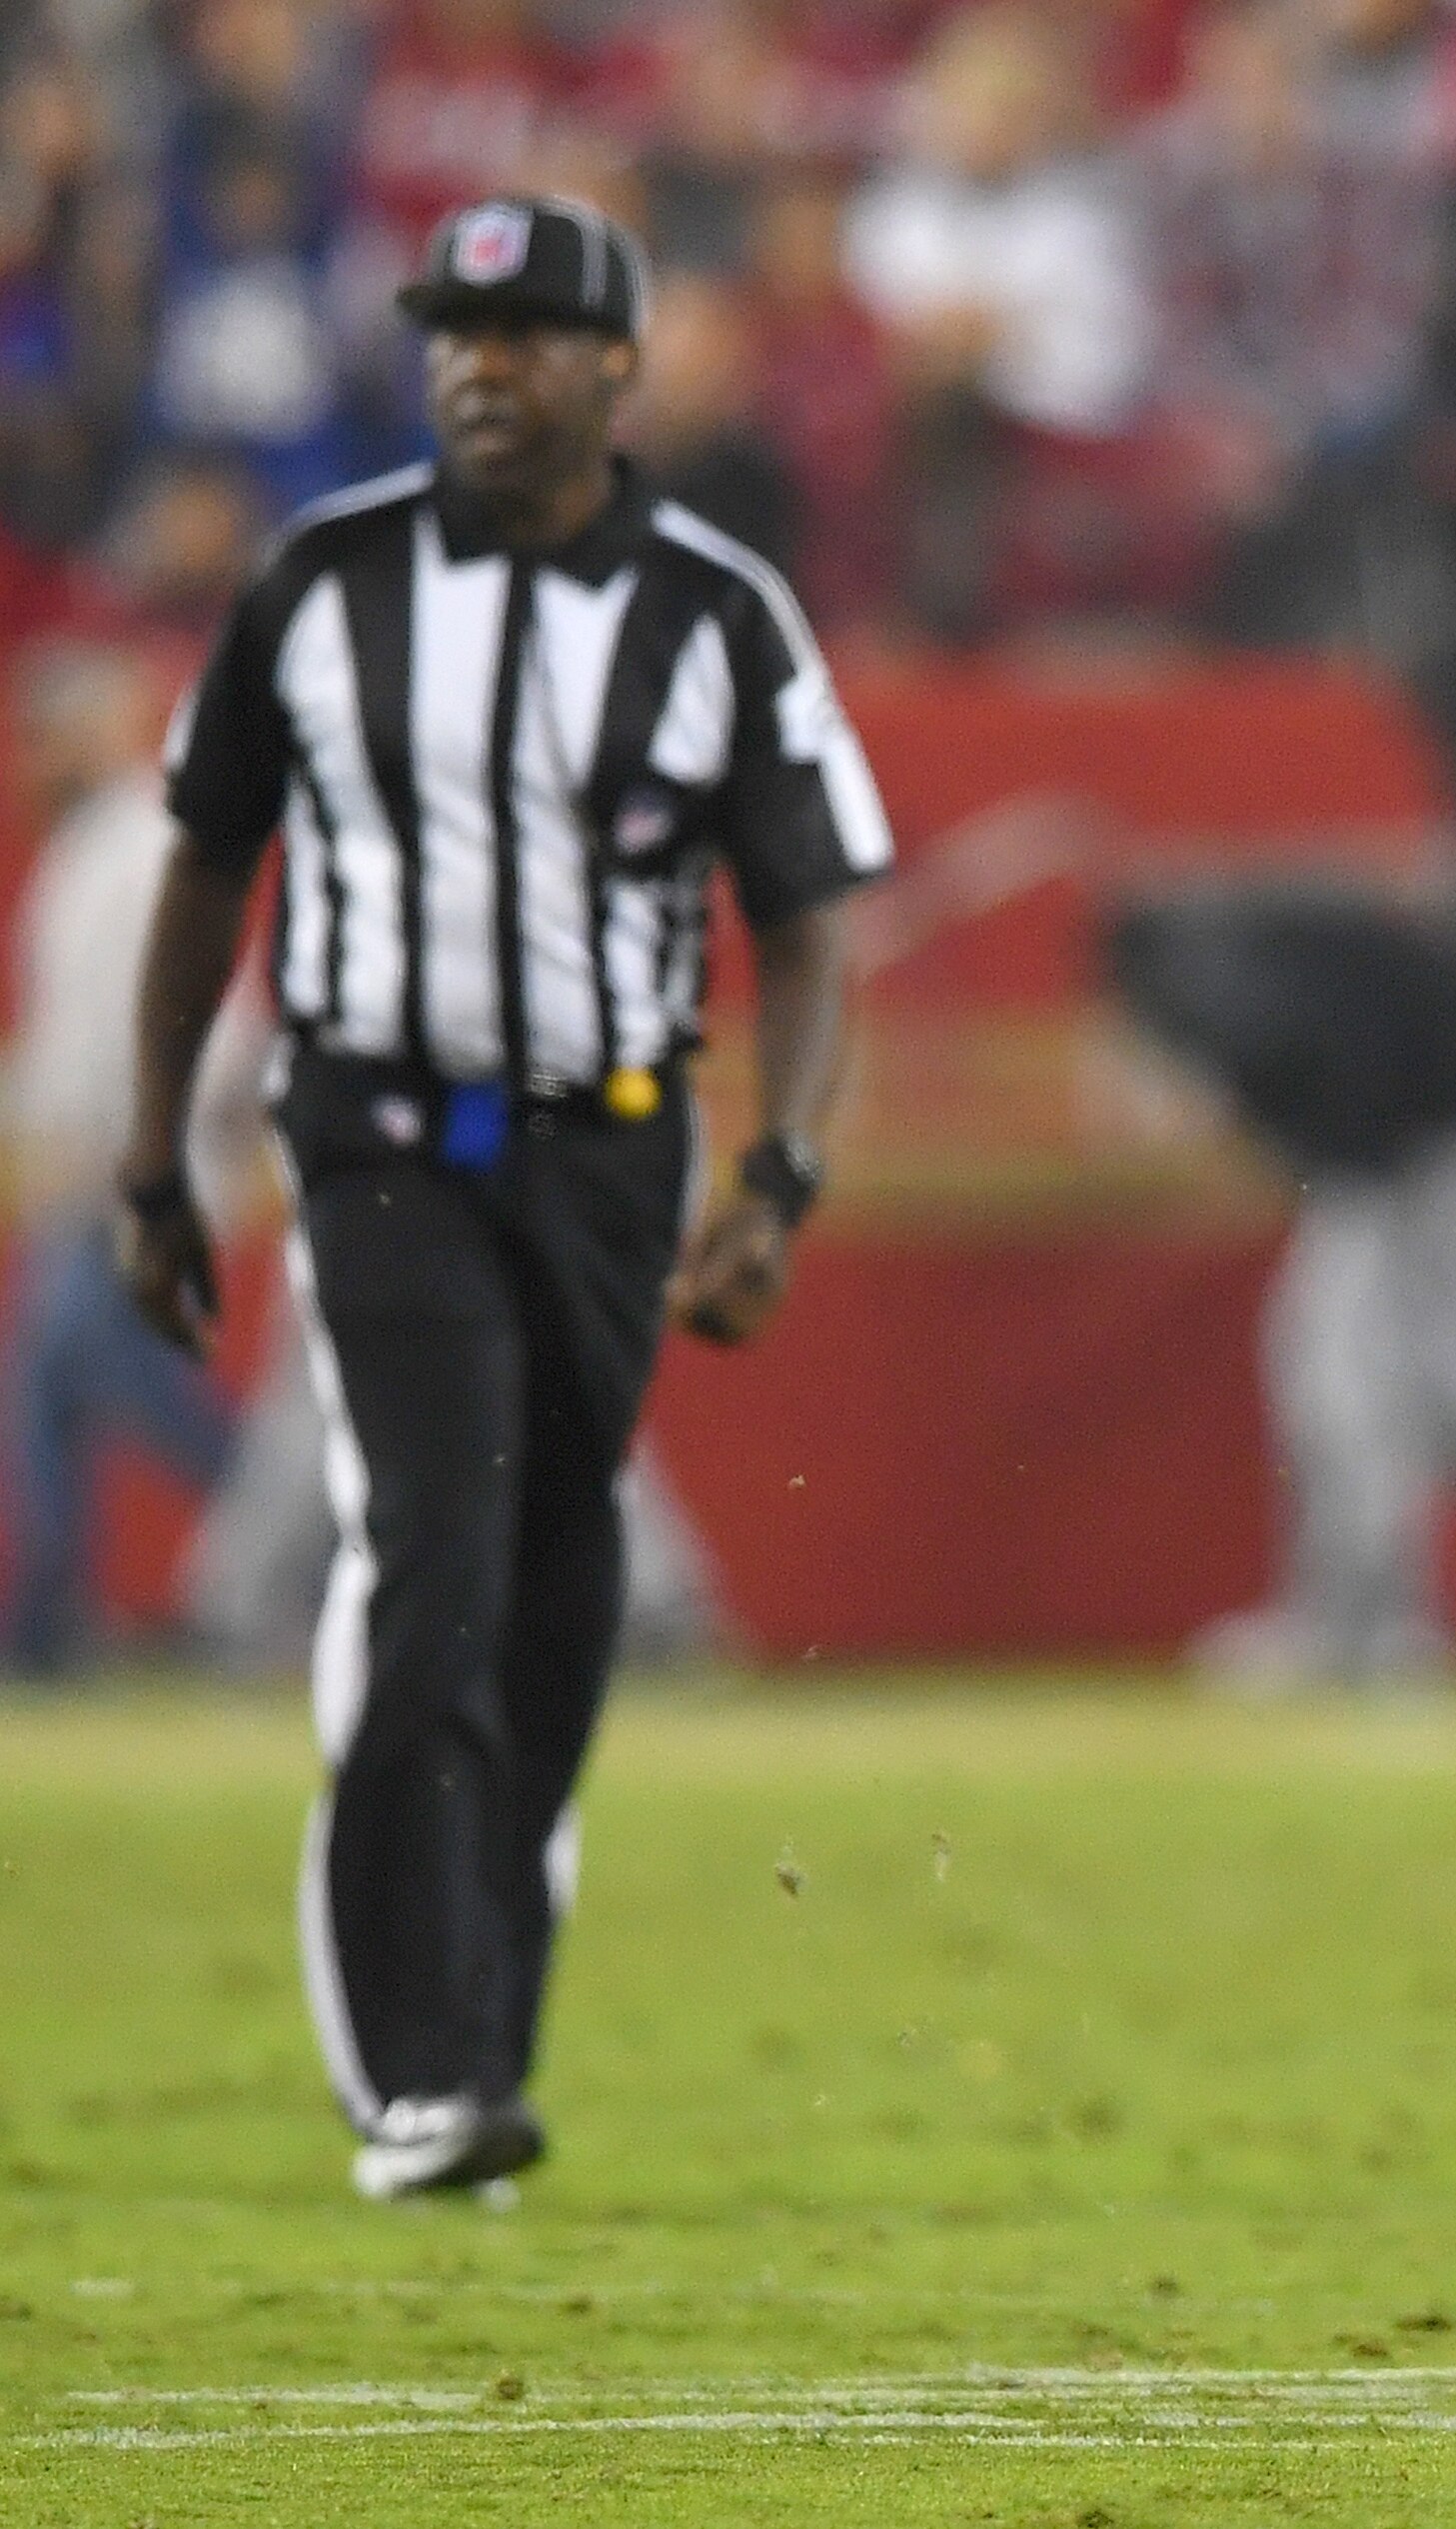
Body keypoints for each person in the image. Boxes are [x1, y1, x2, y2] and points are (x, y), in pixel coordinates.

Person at [115, 194, 887, 2202]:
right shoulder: (322, 578)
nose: (483, 362)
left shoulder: (717, 609)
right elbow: (206, 857)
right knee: (432, 1565)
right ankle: (417, 2072)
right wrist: (151, 1148)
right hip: (375, 1132)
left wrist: (778, 1168)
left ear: (619, 367)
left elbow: (807, 919)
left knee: (554, 1601)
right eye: (455, 329)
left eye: (532, 330)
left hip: (612, 1148)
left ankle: (476, 2028)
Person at [3, 643, 235, 1677]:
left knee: (100, 1374)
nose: (40, 753)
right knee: (70, 1379)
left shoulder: (142, 847)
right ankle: (55, 1618)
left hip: (131, 1178)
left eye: (59, 730)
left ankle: (285, 1541)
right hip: (99, 1173)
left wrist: (111, 1147)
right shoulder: (92, 848)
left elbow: (198, 1018)